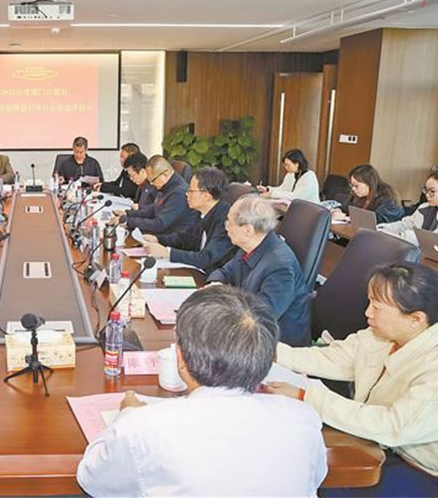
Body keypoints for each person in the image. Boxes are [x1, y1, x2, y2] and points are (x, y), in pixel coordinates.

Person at [76, 286, 327, 496]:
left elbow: (92, 479)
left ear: (180, 358)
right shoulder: (304, 419)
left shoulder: (142, 427)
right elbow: (314, 478)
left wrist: (126, 416)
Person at [268, 262, 438, 496]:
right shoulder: (385, 334)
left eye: (377, 307)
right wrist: (268, 351)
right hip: (371, 440)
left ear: (416, 319)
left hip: (417, 468)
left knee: (304, 476)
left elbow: (392, 427)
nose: (368, 313)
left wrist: (307, 396)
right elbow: (333, 359)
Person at [207, 195, 311, 346]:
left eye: (229, 222)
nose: (226, 226)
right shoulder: (250, 245)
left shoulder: (280, 266)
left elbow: (261, 317)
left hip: (275, 344)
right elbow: (225, 272)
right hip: (249, 327)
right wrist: (215, 284)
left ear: (248, 230)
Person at [144, 166, 235, 273]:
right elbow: (184, 238)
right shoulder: (200, 211)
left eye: (191, 191)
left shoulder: (227, 220)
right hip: (197, 270)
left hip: (213, 277)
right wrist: (157, 239)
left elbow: (206, 258)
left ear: (206, 196)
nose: (186, 194)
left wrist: (168, 253)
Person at [113, 155, 198, 235]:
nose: (151, 184)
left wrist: (128, 221)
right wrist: (127, 214)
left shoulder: (178, 193)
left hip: (169, 239)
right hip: (158, 235)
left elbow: (159, 224)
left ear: (165, 174)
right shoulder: (165, 186)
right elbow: (153, 210)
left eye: (153, 180)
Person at [378, 168, 438, 245]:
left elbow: (430, 240)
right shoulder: (424, 208)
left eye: (432, 191)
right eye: (426, 191)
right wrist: (384, 228)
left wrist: (402, 235)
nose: (427, 195)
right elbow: (405, 224)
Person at [332, 164, 404, 224]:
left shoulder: (388, 197)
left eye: (356, 186)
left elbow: (378, 220)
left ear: (369, 183)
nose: (353, 189)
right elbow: (346, 208)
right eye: (352, 185)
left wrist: (346, 218)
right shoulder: (359, 195)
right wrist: (338, 211)